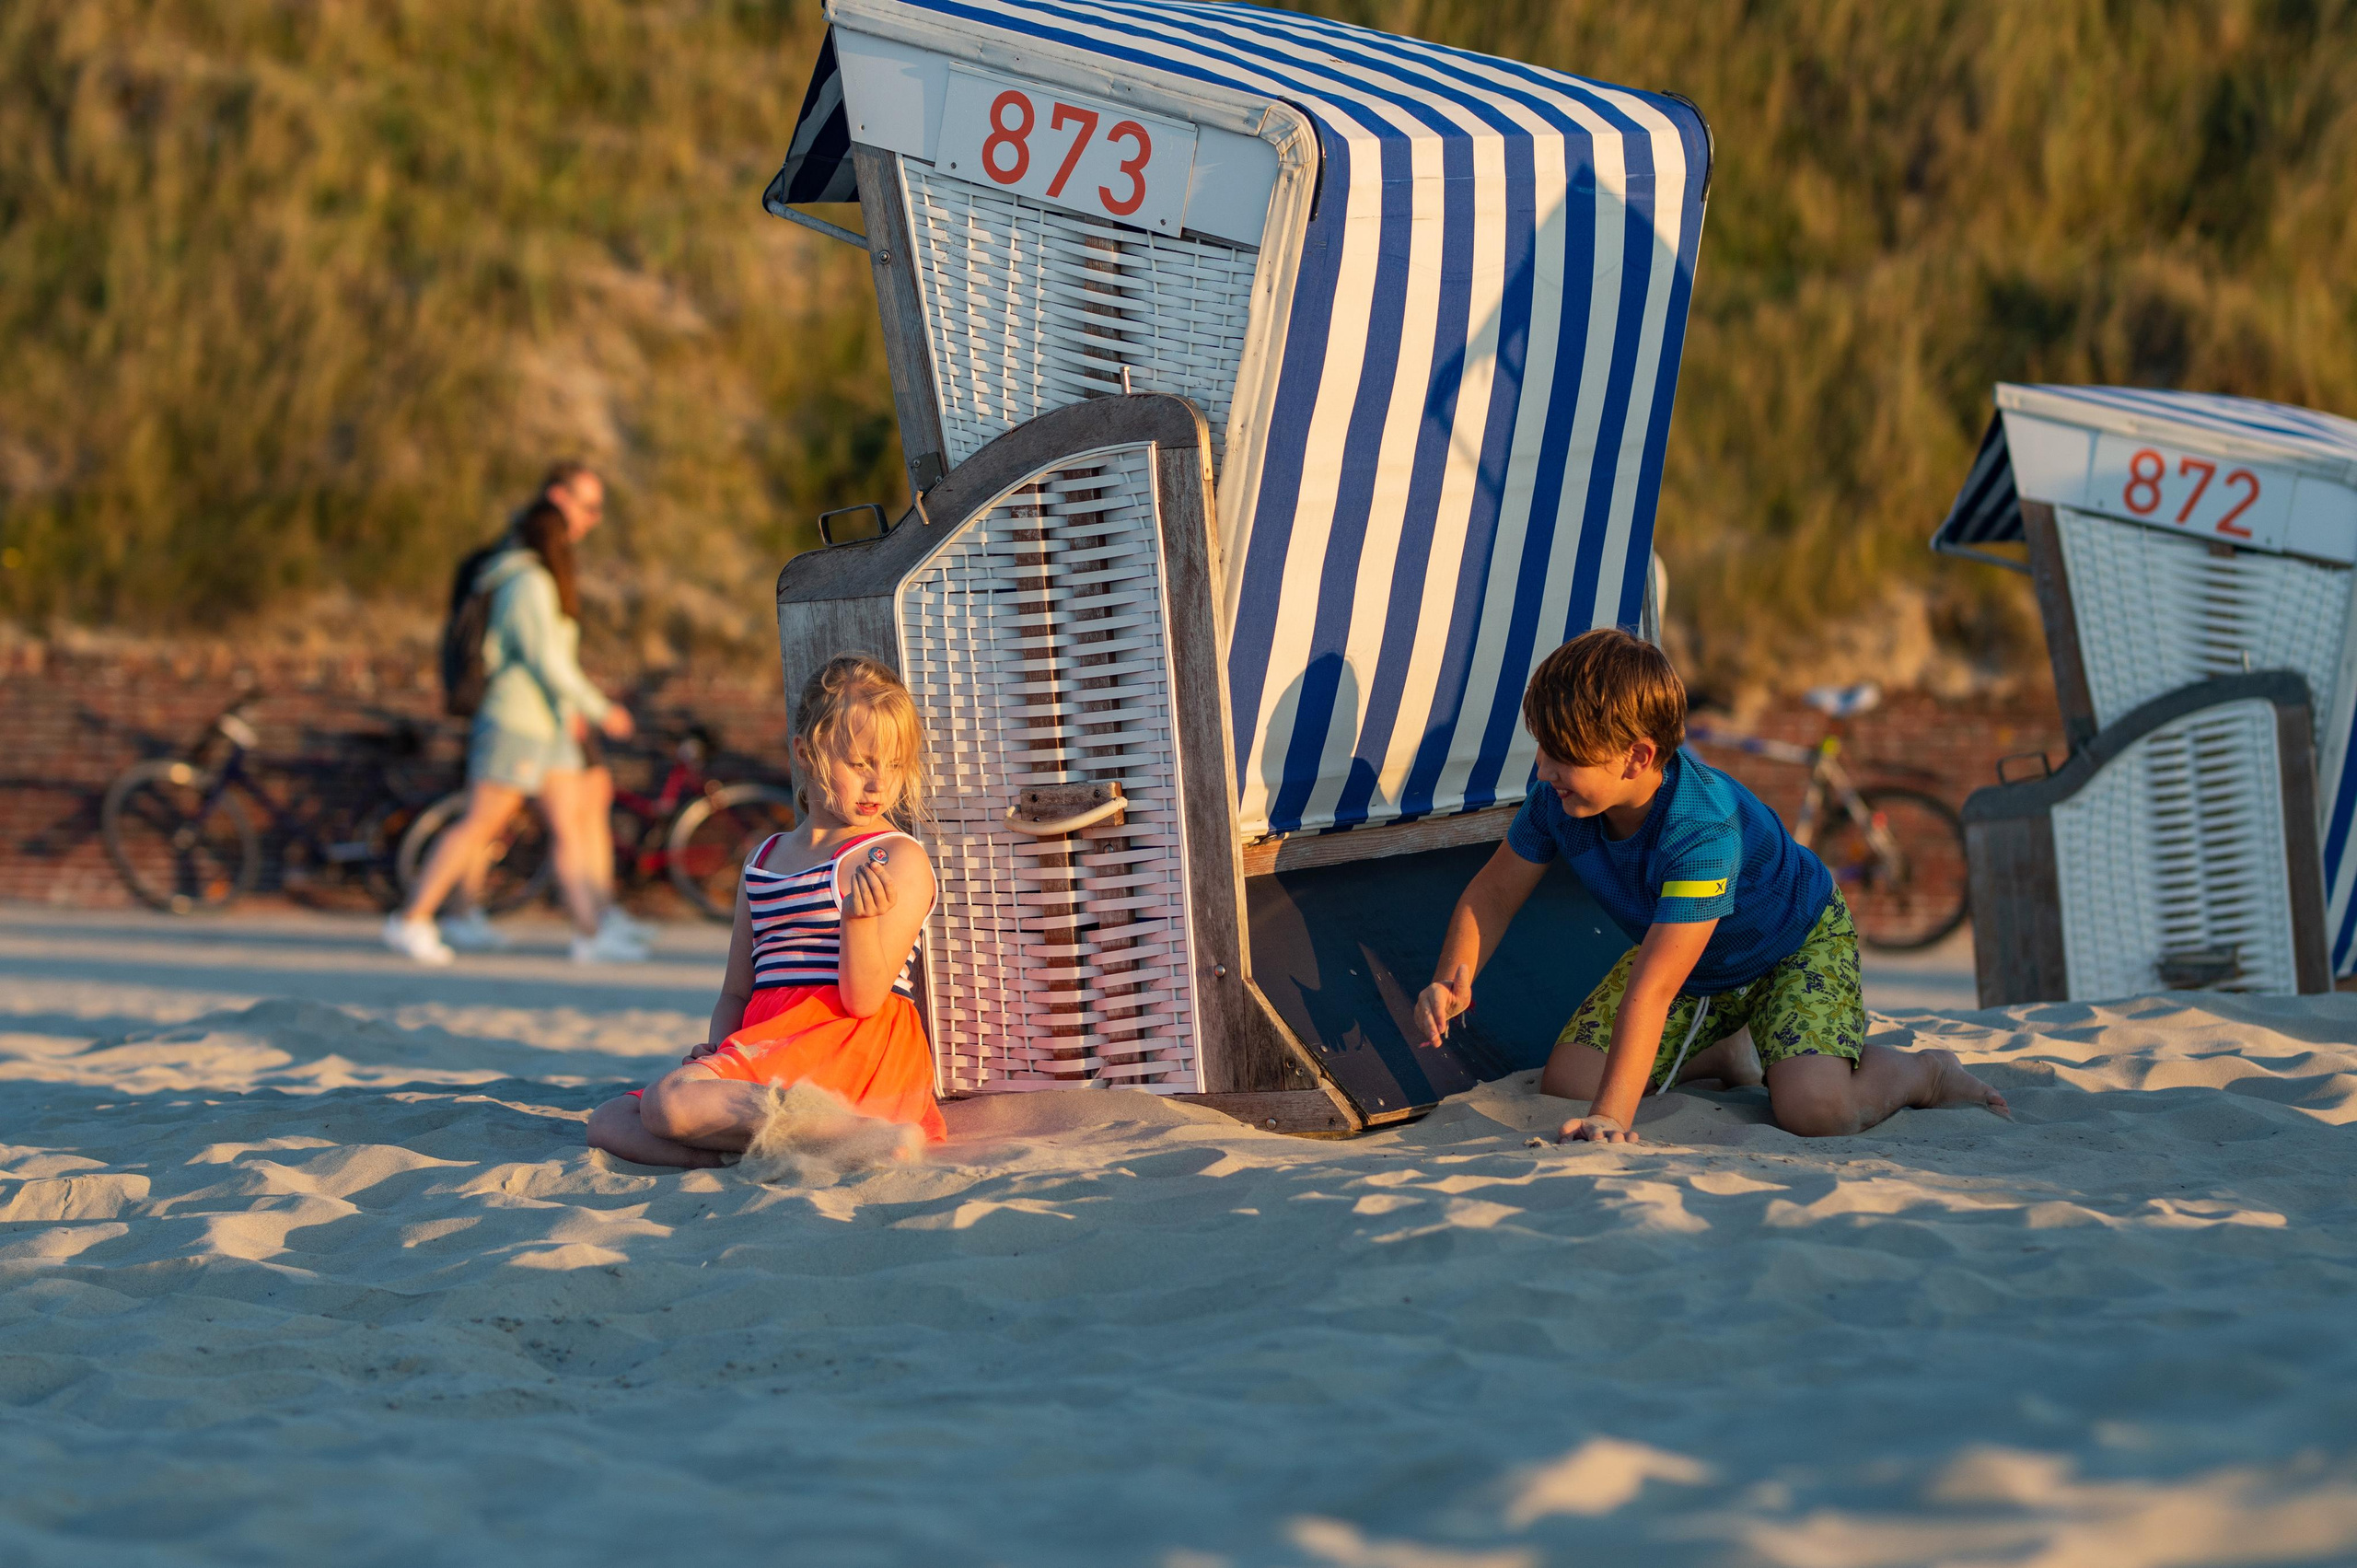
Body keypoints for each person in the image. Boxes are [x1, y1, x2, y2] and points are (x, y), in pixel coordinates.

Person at [1413, 627, 2007, 1144]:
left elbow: (1654, 987)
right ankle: (1729, 1049)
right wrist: (1450, 978)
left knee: (1816, 1110)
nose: (1543, 770)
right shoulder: (1557, 800)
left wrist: (1609, 1120)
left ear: (1636, 757)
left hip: (1794, 947)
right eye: (1542, 749)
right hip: (1694, 967)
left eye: (1564, 756)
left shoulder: (1702, 828)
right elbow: (1493, 894)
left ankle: (1928, 1073)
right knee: (1569, 1080)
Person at [586, 655, 943, 1166]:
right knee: (610, 1121)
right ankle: (770, 1154)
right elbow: (737, 990)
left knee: (669, 1104)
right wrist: (721, 1053)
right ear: (805, 753)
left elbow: (864, 1001)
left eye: (894, 764)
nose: (878, 784)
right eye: (860, 763)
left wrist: (858, 923)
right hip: (769, 1041)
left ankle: (860, 1134)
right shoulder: (764, 858)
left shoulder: (893, 857)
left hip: (848, 1042)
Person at [384, 500, 644, 966]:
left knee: (568, 826)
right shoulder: (527, 582)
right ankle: (411, 918)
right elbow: (545, 660)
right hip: (516, 722)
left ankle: (590, 934)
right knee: (479, 823)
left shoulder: (526, 579)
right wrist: (599, 709)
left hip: (544, 724)